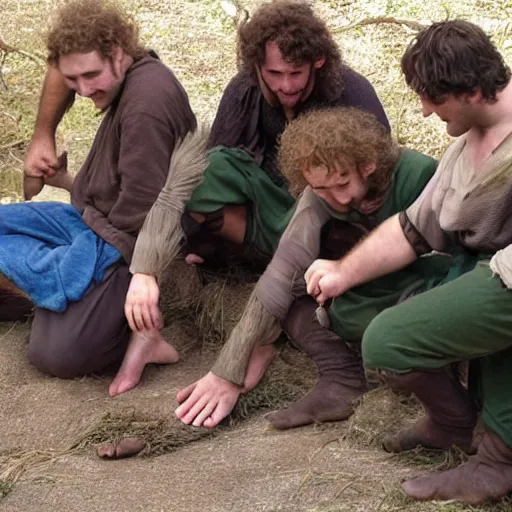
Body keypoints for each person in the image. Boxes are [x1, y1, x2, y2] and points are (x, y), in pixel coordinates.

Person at [304, 20, 512, 505]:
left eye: (432, 98)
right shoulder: (469, 142)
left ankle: (499, 459)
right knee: (365, 316)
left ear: (470, 90)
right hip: (481, 268)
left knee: (390, 340)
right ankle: (456, 426)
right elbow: (415, 228)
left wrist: (483, 291)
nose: (423, 110)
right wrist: (342, 272)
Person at [173, 107, 477, 429]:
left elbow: (464, 257)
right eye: (319, 189)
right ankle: (342, 376)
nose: (334, 199)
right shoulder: (319, 194)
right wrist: (227, 370)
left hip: (428, 287)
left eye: (342, 183)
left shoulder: (419, 175)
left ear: (369, 166)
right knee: (293, 297)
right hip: (364, 292)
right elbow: (280, 274)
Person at [124, 0, 390, 335]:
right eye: (275, 74)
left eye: (296, 73)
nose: (287, 86)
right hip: (267, 208)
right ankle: (247, 259)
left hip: (329, 214)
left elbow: (377, 176)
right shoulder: (243, 91)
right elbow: (217, 167)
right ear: (257, 66)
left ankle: (298, 274)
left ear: (317, 61)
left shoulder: (351, 92)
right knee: (203, 174)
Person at [0, 0, 198, 397]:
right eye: (74, 79)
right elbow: (106, 197)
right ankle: (52, 285)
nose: (85, 89)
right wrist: (63, 176)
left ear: (119, 53)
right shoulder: (123, 77)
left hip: (125, 245)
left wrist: (141, 274)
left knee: (55, 355)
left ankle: (66, 290)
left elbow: (142, 214)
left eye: (92, 75)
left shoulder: (147, 104)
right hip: (90, 219)